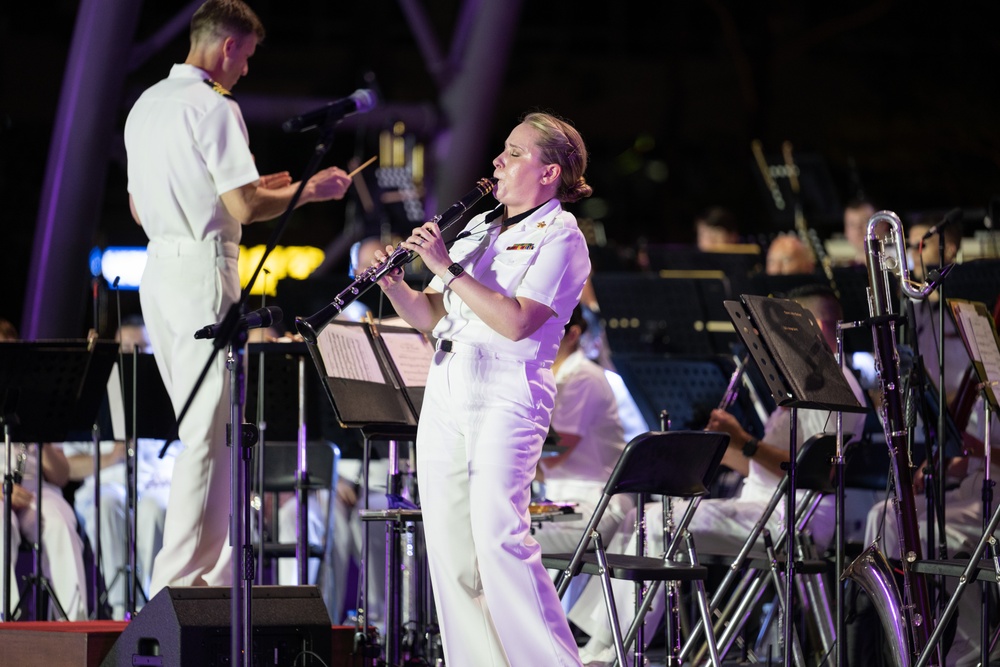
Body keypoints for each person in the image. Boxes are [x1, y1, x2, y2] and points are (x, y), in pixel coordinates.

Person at [123, 0, 353, 596]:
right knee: (210, 429)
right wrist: (310, 191)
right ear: (228, 46)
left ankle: (204, 576)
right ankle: (179, 583)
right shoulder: (213, 106)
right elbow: (244, 210)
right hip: (203, 269)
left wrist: (252, 190)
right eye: (246, 57)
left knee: (202, 424)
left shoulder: (146, 105)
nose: (246, 70)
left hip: (158, 270)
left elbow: (140, 206)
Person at [372, 111, 593, 666]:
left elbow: (518, 321)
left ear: (549, 173)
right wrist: (397, 284)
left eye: (515, 153)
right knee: (449, 547)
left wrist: (446, 268)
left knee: (500, 541)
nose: (498, 160)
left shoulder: (562, 236)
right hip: (448, 382)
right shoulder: (482, 227)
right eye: (503, 149)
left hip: (506, 390)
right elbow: (429, 314)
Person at [571, 285, 869, 665]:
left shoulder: (835, 386)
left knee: (653, 524)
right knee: (646, 516)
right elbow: (768, 469)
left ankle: (618, 649)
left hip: (793, 518)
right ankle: (604, 641)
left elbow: (811, 470)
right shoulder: (804, 381)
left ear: (817, 328)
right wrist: (718, 448)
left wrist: (744, 441)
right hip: (765, 505)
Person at [63, 317, 176, 619]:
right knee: (107, 503)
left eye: (141, 349)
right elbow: (67, 468)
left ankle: (149, 605)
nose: (133, 356)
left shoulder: (168, 393)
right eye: (126, 349)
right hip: (108, 483)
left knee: (155, 506)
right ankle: (117, 608)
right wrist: (113, 455)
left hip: (156, 485)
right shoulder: (96, 394)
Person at [0, 319, 88, 621]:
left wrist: (39, 428)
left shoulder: (33, 398)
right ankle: (6, 621)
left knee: (62, 521)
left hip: (36, 488)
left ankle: (73, 623)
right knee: (1, 526)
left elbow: (61, 475)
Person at [532, 305, 631, 556]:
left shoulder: (584, 378)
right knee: (489, 520)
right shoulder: (551, 376)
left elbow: (554, 459)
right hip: (563, 500)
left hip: (594, 504)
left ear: (572, 335)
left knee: (504, 528)